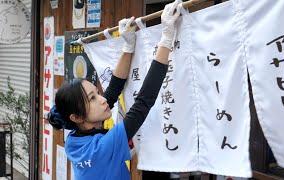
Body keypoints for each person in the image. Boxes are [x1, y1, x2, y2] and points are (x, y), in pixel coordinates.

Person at [47, 1, 182, 179]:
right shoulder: (101, 148)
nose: (103, 100)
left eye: (96, 93)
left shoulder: (75, 140)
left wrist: (128, 47)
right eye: (92, 98)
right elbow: (143, 103)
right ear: (77, 117)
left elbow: (112, 90)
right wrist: (166, 38)